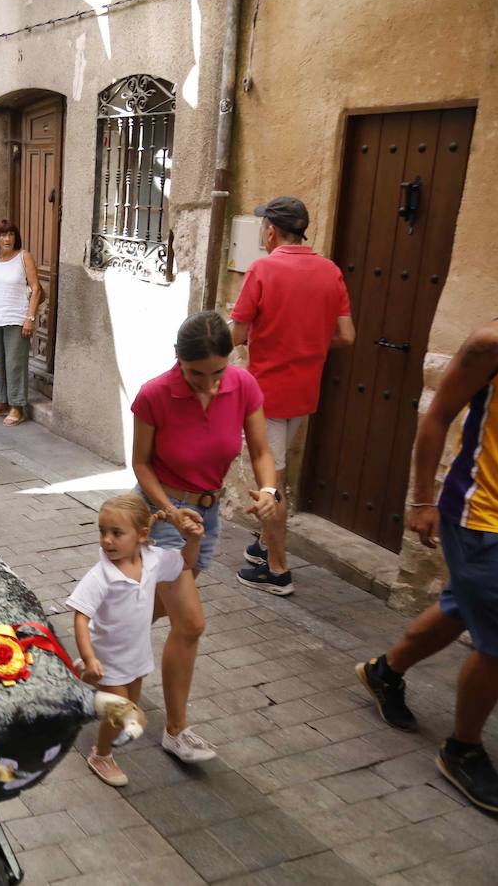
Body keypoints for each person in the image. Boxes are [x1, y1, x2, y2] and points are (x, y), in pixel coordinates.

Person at [356, 312, 498, 814]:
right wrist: (422, 500)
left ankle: (385, 671)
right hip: (483, 516)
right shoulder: (494, 342)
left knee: (462, 608)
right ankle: (462, 749)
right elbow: (438, 415)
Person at [130, 310, 279, 764]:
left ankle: (102, 642)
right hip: (161, 515)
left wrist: (269, 490)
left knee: (155, 607)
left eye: (218, 372)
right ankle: (176, 730)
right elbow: (140, 463)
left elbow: (260, 451)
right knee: (190, 622)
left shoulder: (243, 385)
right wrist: (171, 512)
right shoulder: (155, 394)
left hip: (207, 519)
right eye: (198, 374)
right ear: (179, 360)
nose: (210, 384)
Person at [230, 197, 355, 595]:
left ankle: (278, 571)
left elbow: (235, 333)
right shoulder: (330, 270)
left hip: (266, 393)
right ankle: (266, 544)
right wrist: (310, 343)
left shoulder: (263, 268)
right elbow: (347, 335)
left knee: (272, 483)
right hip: (304, 392)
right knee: (279, 474)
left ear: (270, 231)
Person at [69, 495, 203, 787]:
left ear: (142, 536)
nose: (107, 540)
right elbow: (80, 616)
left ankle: (87, 676)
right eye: (102, 531)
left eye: (116, 533)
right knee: (122, 710)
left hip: (137, 654)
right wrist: (91, 657)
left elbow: (184, 564)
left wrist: (192, 540)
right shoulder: (102, 574)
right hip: (108, 655)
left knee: (132, 700)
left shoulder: (152, 560)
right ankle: (101, 755)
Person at [0, 220, 41, 427]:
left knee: (15, 364)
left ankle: (18, 406)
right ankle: (3, 401)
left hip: (17, 318)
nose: (7, 239)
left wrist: (30, 318)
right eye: (3, 235)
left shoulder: (24, 257)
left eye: (11, 234)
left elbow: (36, 288)